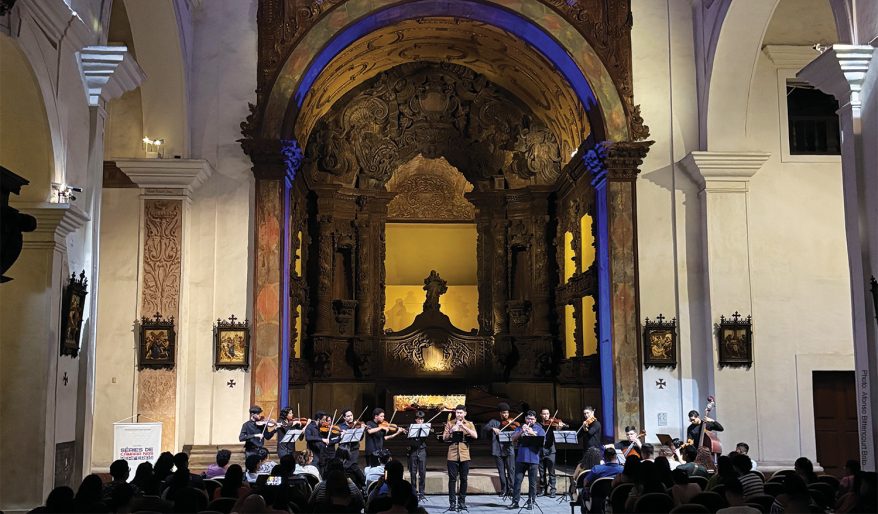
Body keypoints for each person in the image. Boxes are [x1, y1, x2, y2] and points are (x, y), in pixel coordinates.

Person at [508, 411, 546, 510]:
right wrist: (521, 431)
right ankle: (515, 502)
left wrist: (532, 433)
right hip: (521, 458)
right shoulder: (520, 427)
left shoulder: (540, 429)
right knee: (517, 481)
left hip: (533, 459)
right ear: (525, 419)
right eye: (528, 419)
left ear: (535, 420)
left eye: (532, 419)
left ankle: (531, 502)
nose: (530, 421)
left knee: (532, 483)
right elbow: (513, 439)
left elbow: (543, 442)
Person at [443, 404, 478, 511]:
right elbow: (444, 438)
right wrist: (451, 430)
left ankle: (462, 502)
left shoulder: (469, 424)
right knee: (452, 480)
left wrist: (463, 427)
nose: (459, 415)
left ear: (465, 414)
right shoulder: (450, 423)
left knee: (464, 479)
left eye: (461, 413)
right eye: (457, 413)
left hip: (464, 455)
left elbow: (475, 436)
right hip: (452, 455)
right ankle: (452, 503)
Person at [482, 402, 516, 497]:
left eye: (507, 413)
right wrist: (493, 428)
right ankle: (504, 489)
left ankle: (512, 489)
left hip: (509, 449)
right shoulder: (494, 421)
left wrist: (513, 427)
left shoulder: (511, 422)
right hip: (497, 450)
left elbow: (518, 431)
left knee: (511, 470)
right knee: (501, 471)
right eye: (504, 413)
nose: (506, 415)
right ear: (500, 413)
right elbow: (485, 428)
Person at [538, 408, 567, 497]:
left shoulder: (553, 424)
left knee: (551, 471)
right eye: (544, 414)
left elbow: (557, 432)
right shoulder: (538, 425)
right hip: (540, 450)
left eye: (547, 414)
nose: (546, 415)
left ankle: (553, 490)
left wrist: (559, 427)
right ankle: (543, 489)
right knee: (541, 471)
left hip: (551, 450)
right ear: (541, 415)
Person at [338, 408, 367, 487]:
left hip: (354, 449)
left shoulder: (357, 425)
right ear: (344, 418)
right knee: (348, 467)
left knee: (352, 465)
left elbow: (359, 438)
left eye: (351, 415)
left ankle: (363, 481)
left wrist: (362, 430)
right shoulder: (341, 426)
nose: (350, 417)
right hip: (344, 450)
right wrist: (343, 434)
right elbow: (339, 438)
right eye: (348, 416)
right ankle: (359, 483)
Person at [407, 410, 430, 500]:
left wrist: (425, 429)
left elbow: (428, 435)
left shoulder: (426, 427)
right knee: (413, 473)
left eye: (422, 419)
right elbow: (408, 438)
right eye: (418, 419)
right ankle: (413, 491)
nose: (420, 421)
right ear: (416, 419)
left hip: (422, 451)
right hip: (413, 451)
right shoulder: (411, 427)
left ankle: (422, 492)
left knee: (422, 472)